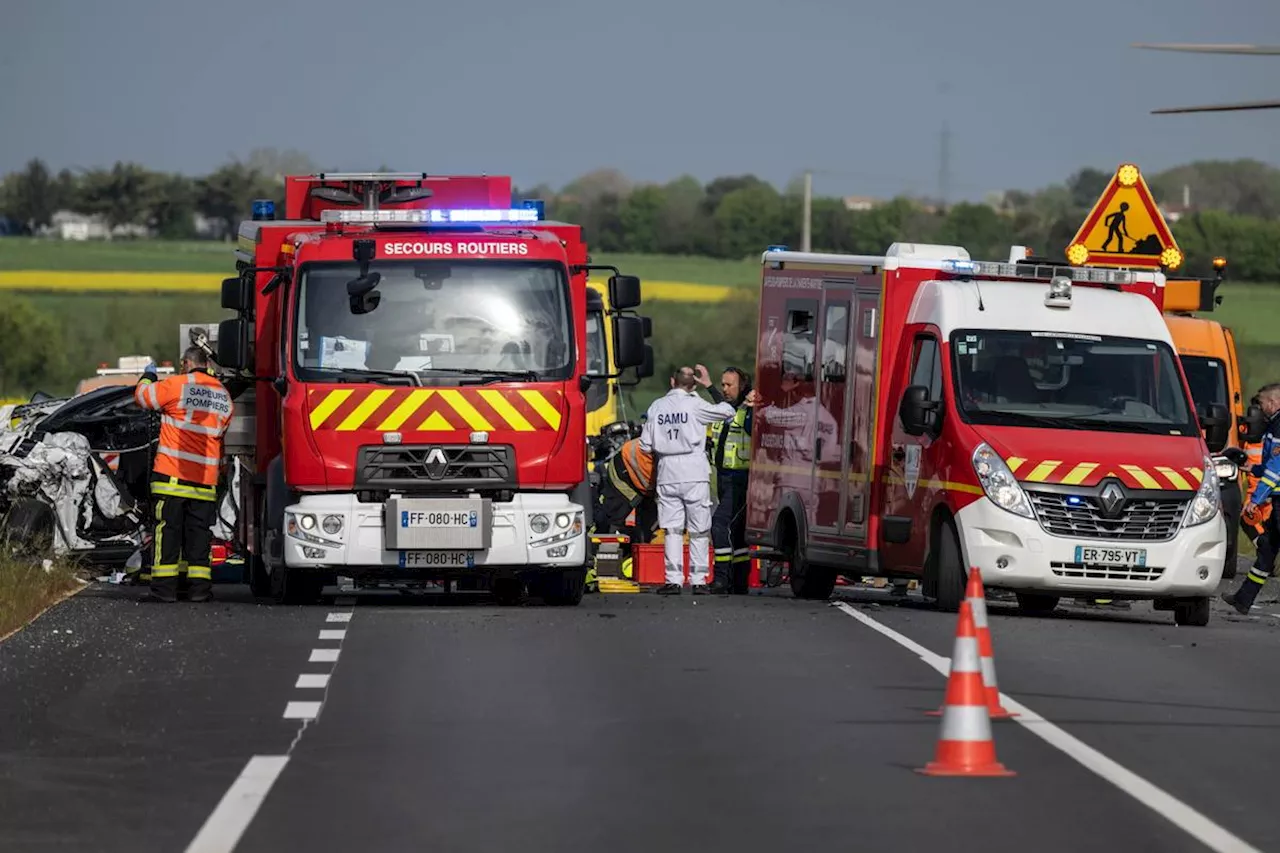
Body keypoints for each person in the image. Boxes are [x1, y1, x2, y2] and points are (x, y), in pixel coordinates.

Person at [133, 347, 234, 603]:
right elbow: (219, 437)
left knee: (167, 535)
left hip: (172, 477)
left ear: (186, 363)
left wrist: (148, 377)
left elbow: (143, 398)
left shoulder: (177, 385)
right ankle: (199, 591)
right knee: (199, 539)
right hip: (205, 482)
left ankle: (164, 591)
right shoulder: (223, 396)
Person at [642, 365, 735, 595]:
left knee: (672, 529)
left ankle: (673, 579)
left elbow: (645, 444)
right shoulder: (695, 404)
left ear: (672, 382)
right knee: (699, 529)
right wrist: (710, 386)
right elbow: (728, 412)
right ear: (692, 385)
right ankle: (698, 580)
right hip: (694, 471)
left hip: (667, 471)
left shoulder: (657, 407)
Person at [1223, 383, 1280, 615]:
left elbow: (1275, 471)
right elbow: (1268, 467)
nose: (1262, 408)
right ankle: (1243, 600)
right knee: (1266, 550)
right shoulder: (1273, 426)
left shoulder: (1278, 428)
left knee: (1268, 548)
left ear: (1275, 403)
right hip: (1277, 500)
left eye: (1264, 403)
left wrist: (1256, 500)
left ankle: (1243, 599)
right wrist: (1250, 468)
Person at [704, 366, 756, 594]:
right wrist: (708, 385)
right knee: (736, 531)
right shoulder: (727, 409)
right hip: (724, 478)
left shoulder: (750, 412)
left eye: (728, 385)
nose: (724, 389)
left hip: (741, 479)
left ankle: (722, 578)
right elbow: (724, 408)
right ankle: (739, 582)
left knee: (719, 525)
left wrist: (751, 400)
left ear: (742, 387)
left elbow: (741, 419)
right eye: (722, 384)